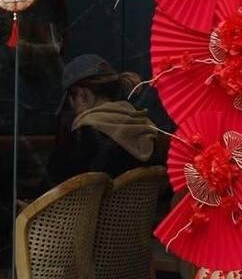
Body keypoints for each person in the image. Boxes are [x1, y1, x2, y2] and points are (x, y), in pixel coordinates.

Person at [48, 54, 161, 185]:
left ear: (83, 95)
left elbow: (53, 186)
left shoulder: (83, 134)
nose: (73, 111)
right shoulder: (145, 126)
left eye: (71, 103)